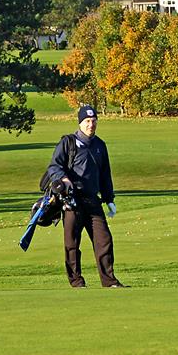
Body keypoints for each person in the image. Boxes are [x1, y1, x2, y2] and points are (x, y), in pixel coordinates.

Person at [45, 105, 123, 288]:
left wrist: (109, 199)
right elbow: (53, 167)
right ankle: (76, 281)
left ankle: (109, 281)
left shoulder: (100, 145)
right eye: (87, 121)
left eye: (94, 121)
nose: (91, 124)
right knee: (72, 242)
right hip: (72, 200)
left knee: (104, 240)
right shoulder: (68, 143)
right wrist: (64, 178)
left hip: (92, 200)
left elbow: (105, 175)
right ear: (80, 123)